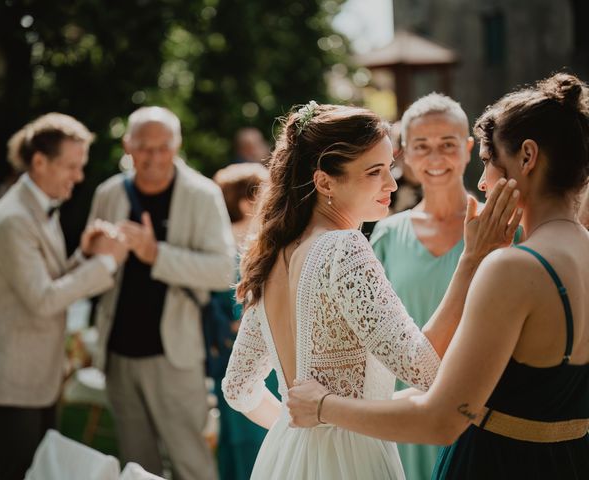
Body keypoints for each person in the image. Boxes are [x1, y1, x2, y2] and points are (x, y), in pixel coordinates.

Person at [288, 73, 589, 479]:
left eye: (486, 160)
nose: (482, 182)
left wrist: (323, 406)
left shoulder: (514, 267)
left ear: (527, 156)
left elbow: (441, 420)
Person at [222, 101, 520, 479]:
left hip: (283, 458)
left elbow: (239, 388)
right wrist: (472, 259)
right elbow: (422, 368)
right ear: (325, 181)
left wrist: (301, 428)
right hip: (353, 462)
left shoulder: (275, 253)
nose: (392, 184)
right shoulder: (343, 248)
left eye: (390, 168)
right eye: (375, 172)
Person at [0, 113, 127, 480]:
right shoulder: (13, 219)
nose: (79, 177)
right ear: (39, 162)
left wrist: (83, 255)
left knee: (40, 472)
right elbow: (43, 299)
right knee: (20, 474)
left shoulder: (41, 209)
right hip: (13, 377)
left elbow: (46, 280)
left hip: (39, 376)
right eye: (71, 166)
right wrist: (104, 264)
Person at [87, 106, 235, 480]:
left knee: (191, 463)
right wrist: (87, 252)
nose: (152, 158)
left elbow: (222, 272)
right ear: (127, 145)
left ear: (177, 145)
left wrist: (156, 255)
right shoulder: (108, 193)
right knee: (136, 466)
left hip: (176, 354)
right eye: (143, 148)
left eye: (162, 148)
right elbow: (91, 268)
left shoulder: (202, 195)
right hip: (118, 352)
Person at [370, 94, 474, 479]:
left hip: (478, 411)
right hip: (405, 412)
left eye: (447, 145)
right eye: (422, 147)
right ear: (405, 155)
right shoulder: (387, 236)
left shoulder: (502, 229)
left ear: (467, 150)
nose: (435, 158)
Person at [212, 162, 279, 480]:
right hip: (243, 354)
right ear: (246, 202)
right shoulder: (241, 247)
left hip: (236, 355)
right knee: (252, 438)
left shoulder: (236, 243)